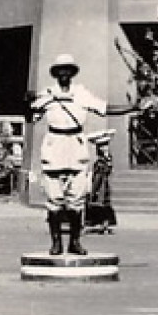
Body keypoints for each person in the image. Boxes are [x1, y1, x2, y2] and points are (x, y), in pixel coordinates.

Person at [30, 54, 107, 256]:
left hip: (76, 144)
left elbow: (104, 109)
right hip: (54, 145)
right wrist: (27, 102)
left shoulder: (82, 94)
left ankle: (75, 241)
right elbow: (31, 116)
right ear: (55, 74)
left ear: (73, 73)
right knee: (54, 198)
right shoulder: (46, 95)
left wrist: (134, 107)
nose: (64, 73)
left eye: (68, 70)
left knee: (77, 198)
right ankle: (56, 242)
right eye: (60, 70)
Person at [83, 130, 117, 235]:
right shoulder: (101, 161)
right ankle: (102, 223)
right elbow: (98, 175)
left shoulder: (105, 160)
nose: (105, 148)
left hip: (103, 184)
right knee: (100, 204)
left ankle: (104, 224)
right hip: (101, 184)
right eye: (102, 146)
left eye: (106, 146)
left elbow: (104, 173)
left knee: (103, 204)